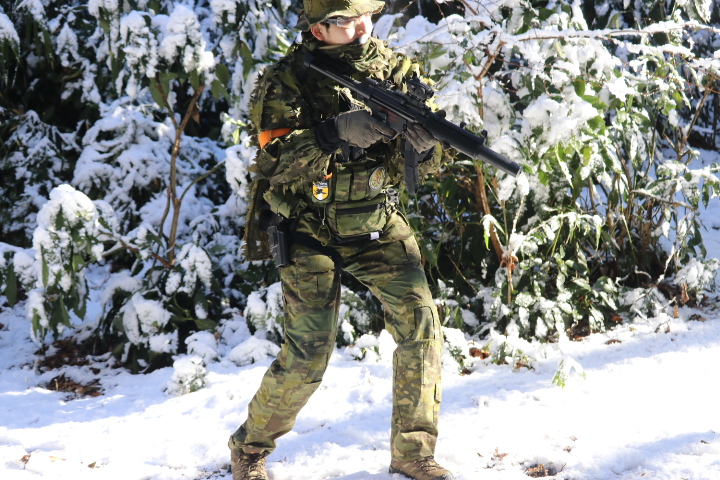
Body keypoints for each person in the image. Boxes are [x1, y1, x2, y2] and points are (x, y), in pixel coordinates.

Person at [228, 1, 455, 479]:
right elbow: (273, 160)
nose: (360, 27)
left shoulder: (398, 72)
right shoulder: (289, 79)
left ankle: (414, 453)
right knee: (309, 350)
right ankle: (249, 448)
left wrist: (426, 149)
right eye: (345, 22)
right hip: (308, 225)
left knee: (421, 323)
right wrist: (332, 134)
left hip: (376, 220)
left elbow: (435, 158)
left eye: (364, 15)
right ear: (318, 29)